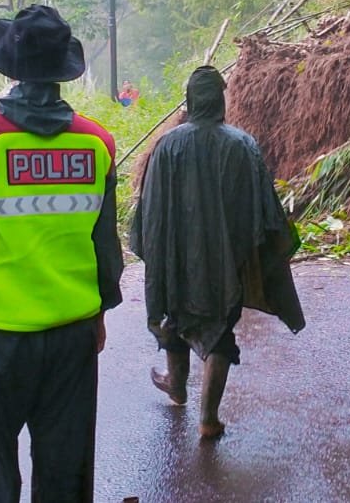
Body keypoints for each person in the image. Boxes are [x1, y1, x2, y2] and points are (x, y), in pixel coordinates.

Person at [0, 4, 124, 502]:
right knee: (65, 477)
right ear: (62, 70)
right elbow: (105, 245)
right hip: (72, 340)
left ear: (10, 67)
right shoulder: (96, 145)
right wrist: (99, 313)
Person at [129, 66, 304, 440]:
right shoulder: (242, 145)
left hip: (176, 257)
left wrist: (156, 251)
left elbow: (151, 211)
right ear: (220, 100)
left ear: (191, 101)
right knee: (221, 329)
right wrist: (264, 248)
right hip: (227, 259)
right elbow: (264, 209)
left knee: (175, 314)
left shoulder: (167, 145)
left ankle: (177, 386)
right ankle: (208, 417)